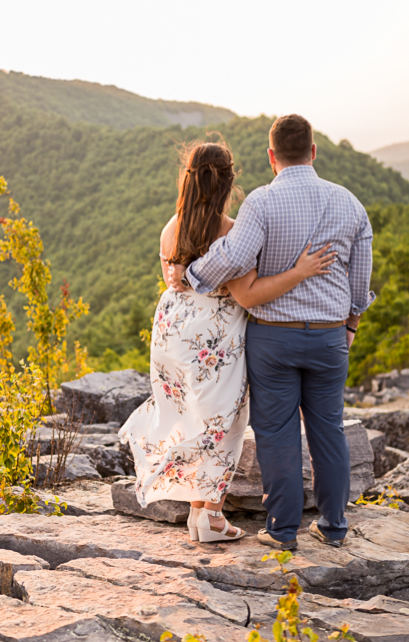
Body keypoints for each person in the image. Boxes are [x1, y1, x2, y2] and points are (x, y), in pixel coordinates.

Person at [166, 115, 375, 551]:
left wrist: (188, 273)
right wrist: (351, 324)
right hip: (330, 337)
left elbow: (232, 258)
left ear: (271, 156)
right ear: (314, 152)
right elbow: (361, 277)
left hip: (273, 338)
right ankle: (334, 526)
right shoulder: (350, 203)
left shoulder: (260, 203)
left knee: (276, 432)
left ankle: (282, 532)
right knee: (329, 429)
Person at [118, 138, 336, 543]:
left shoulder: (172, 225)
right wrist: (300, 273)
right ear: (229, 183)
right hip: (213, 337)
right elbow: (246, 294)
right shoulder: (229, 233)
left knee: (192, 418)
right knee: (224, 423)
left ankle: (198, 516)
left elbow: (174, 281)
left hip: (172, 328)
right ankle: (212, 516)